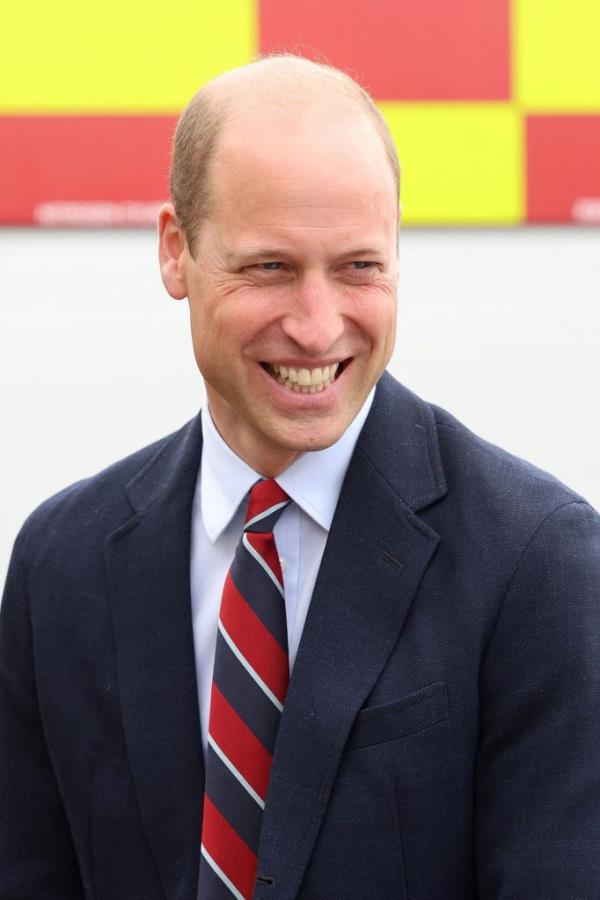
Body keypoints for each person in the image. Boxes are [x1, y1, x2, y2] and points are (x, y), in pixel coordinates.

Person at [1, 54, 599, 900]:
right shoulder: (59, 566)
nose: (318, 329)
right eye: (271, 268)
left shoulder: (537, 562)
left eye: (360, 266)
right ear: (176, 252)